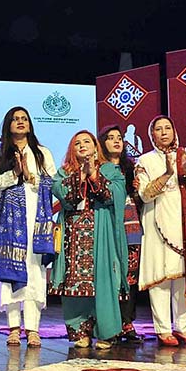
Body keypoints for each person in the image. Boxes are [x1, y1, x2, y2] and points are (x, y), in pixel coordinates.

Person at [0, 106, 56, 348]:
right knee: (9, 272)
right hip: (8, 223)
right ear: (8, 124)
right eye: (15, 119)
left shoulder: (42, 152)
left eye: (24, 118)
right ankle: (14, 328)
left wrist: (33, 178)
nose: (20, 122)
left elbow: (54, 183)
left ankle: (33, 329)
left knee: (35, 272)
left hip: (36, 220)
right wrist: (15, 173)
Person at [135, 115, 186, 347]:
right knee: (160, 277)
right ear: (152, 134)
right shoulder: (145, 160)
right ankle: (163, 329)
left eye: (168, 127)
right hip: (157, 219)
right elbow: (145, 194)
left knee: (184, 277)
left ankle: (183, 328)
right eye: (158, 128)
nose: (164, 132)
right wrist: (167, 174)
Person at [50, 130, 128, 349]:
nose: (82, 145)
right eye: (77, 143)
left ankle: (106, 332)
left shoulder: (110, 169)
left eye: (87, 142)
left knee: (103, 281)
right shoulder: (65, 171)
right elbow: (63, 194)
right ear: (72, 150)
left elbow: (115, 195)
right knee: (74, 284)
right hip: (73, 235)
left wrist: (93, 173)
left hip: (100, 233)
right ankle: (80, 331)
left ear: (96, 147)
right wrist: (80, 175)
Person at [98, 125, 145, 343]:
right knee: (110, 275)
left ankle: (127, 323)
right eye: (110, 138)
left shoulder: (132, 168)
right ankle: (110, 324)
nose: (117, 141)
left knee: (130, 276)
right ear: (102, 143)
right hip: (107, 226)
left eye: (119, 138)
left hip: (131, 226)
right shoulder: (98, 168)